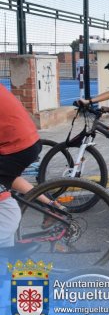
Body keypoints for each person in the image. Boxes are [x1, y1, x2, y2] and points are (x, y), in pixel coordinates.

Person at [0, 85, 43, 247]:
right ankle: (51, 205)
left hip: (16, 144)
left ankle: (6, 247)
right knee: (9, 177)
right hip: (27, 140)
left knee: (4, 201)